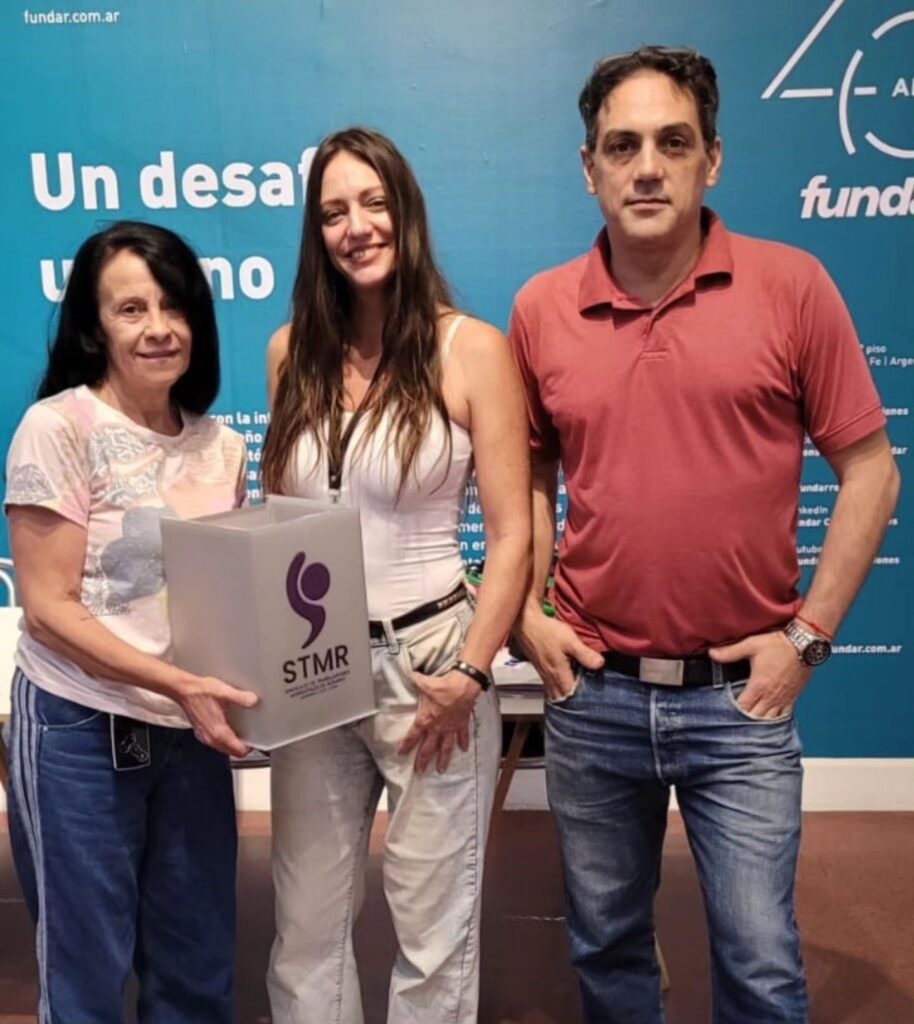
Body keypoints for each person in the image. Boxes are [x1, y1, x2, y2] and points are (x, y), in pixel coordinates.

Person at [509, 47, 900, 1024]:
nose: (647, 167)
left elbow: (871, 470)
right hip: (592, 693)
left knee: (760, 966)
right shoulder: (541, 308)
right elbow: (527, 477)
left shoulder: (791, 286)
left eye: (672, 143)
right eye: (622, 146)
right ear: (589, 167)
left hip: (740, 705)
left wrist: (808, 639)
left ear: (711, 159)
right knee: (605, 948)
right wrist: (526, 616)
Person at [261, 127, 530, 1024]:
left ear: (406, 212)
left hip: (432, 664)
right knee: (305, 928)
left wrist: (472, 671)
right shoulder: (289, 352)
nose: (357, 226)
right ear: (317, 233)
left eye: (374, 203)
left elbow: (513, 534)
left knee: (434, 932)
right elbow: (281, 526)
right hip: (315, 668)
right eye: (334, 212)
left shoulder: (471, 349)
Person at [5, 221, 259, 1023]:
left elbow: (224, 597)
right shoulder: (59, 428)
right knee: (86, 977)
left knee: (197, 971)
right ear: (95, 327)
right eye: (131, 309)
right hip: (80, 732)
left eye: (173, 306)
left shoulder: (222, 447)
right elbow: (48, 610)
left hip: (191, 737)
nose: (159, 328)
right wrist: (177, 683)